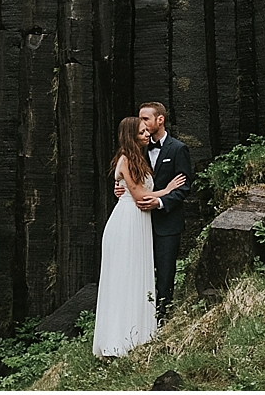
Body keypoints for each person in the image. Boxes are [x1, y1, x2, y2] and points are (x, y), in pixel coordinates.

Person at [93, 116, 186, 358]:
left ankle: (138, 333)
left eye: (147, 130)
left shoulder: (138, 158)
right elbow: (139, 197)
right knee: (124, 276)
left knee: (137, 274)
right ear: (131, 135)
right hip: (127, 222)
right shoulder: (126, 159)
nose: (147, 134)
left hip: (139, 221)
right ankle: (117, 339)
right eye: (142, 131)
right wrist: (167, 190)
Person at [115, 101, 193, 321]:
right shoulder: (138, 148)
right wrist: (120, 186)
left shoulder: (178, 149)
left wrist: (160, 202)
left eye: (146, 118)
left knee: (165, 274)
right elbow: (132, 180)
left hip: (167, 222)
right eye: (140, 119)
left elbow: (184, 187)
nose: (143, 123)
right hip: (139, 222)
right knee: (139, 272)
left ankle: (163, 319)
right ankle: (140, 318)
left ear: (160, 119)